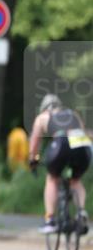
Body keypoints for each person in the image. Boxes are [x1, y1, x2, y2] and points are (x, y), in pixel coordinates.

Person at [28, 94, 91, 234]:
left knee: (52, 178)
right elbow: (82, 130)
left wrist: (33, 159)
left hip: (62, 143)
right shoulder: (72, 113)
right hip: (82, 144)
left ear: (44, 108)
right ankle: (81, 212)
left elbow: (34, 143)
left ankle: (50, 219)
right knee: (76, 180)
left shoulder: (42, 117)